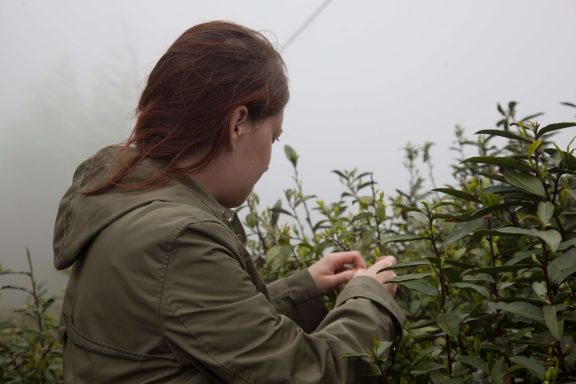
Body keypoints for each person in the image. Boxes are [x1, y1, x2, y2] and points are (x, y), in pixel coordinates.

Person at [53, 20, 405, 383]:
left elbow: (192, 328)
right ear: (237, 123)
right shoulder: (178, 240)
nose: (269, 161)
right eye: (274, 137)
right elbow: (313, 374)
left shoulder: (123, 200)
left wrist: (305, 287)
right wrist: (371, 297)